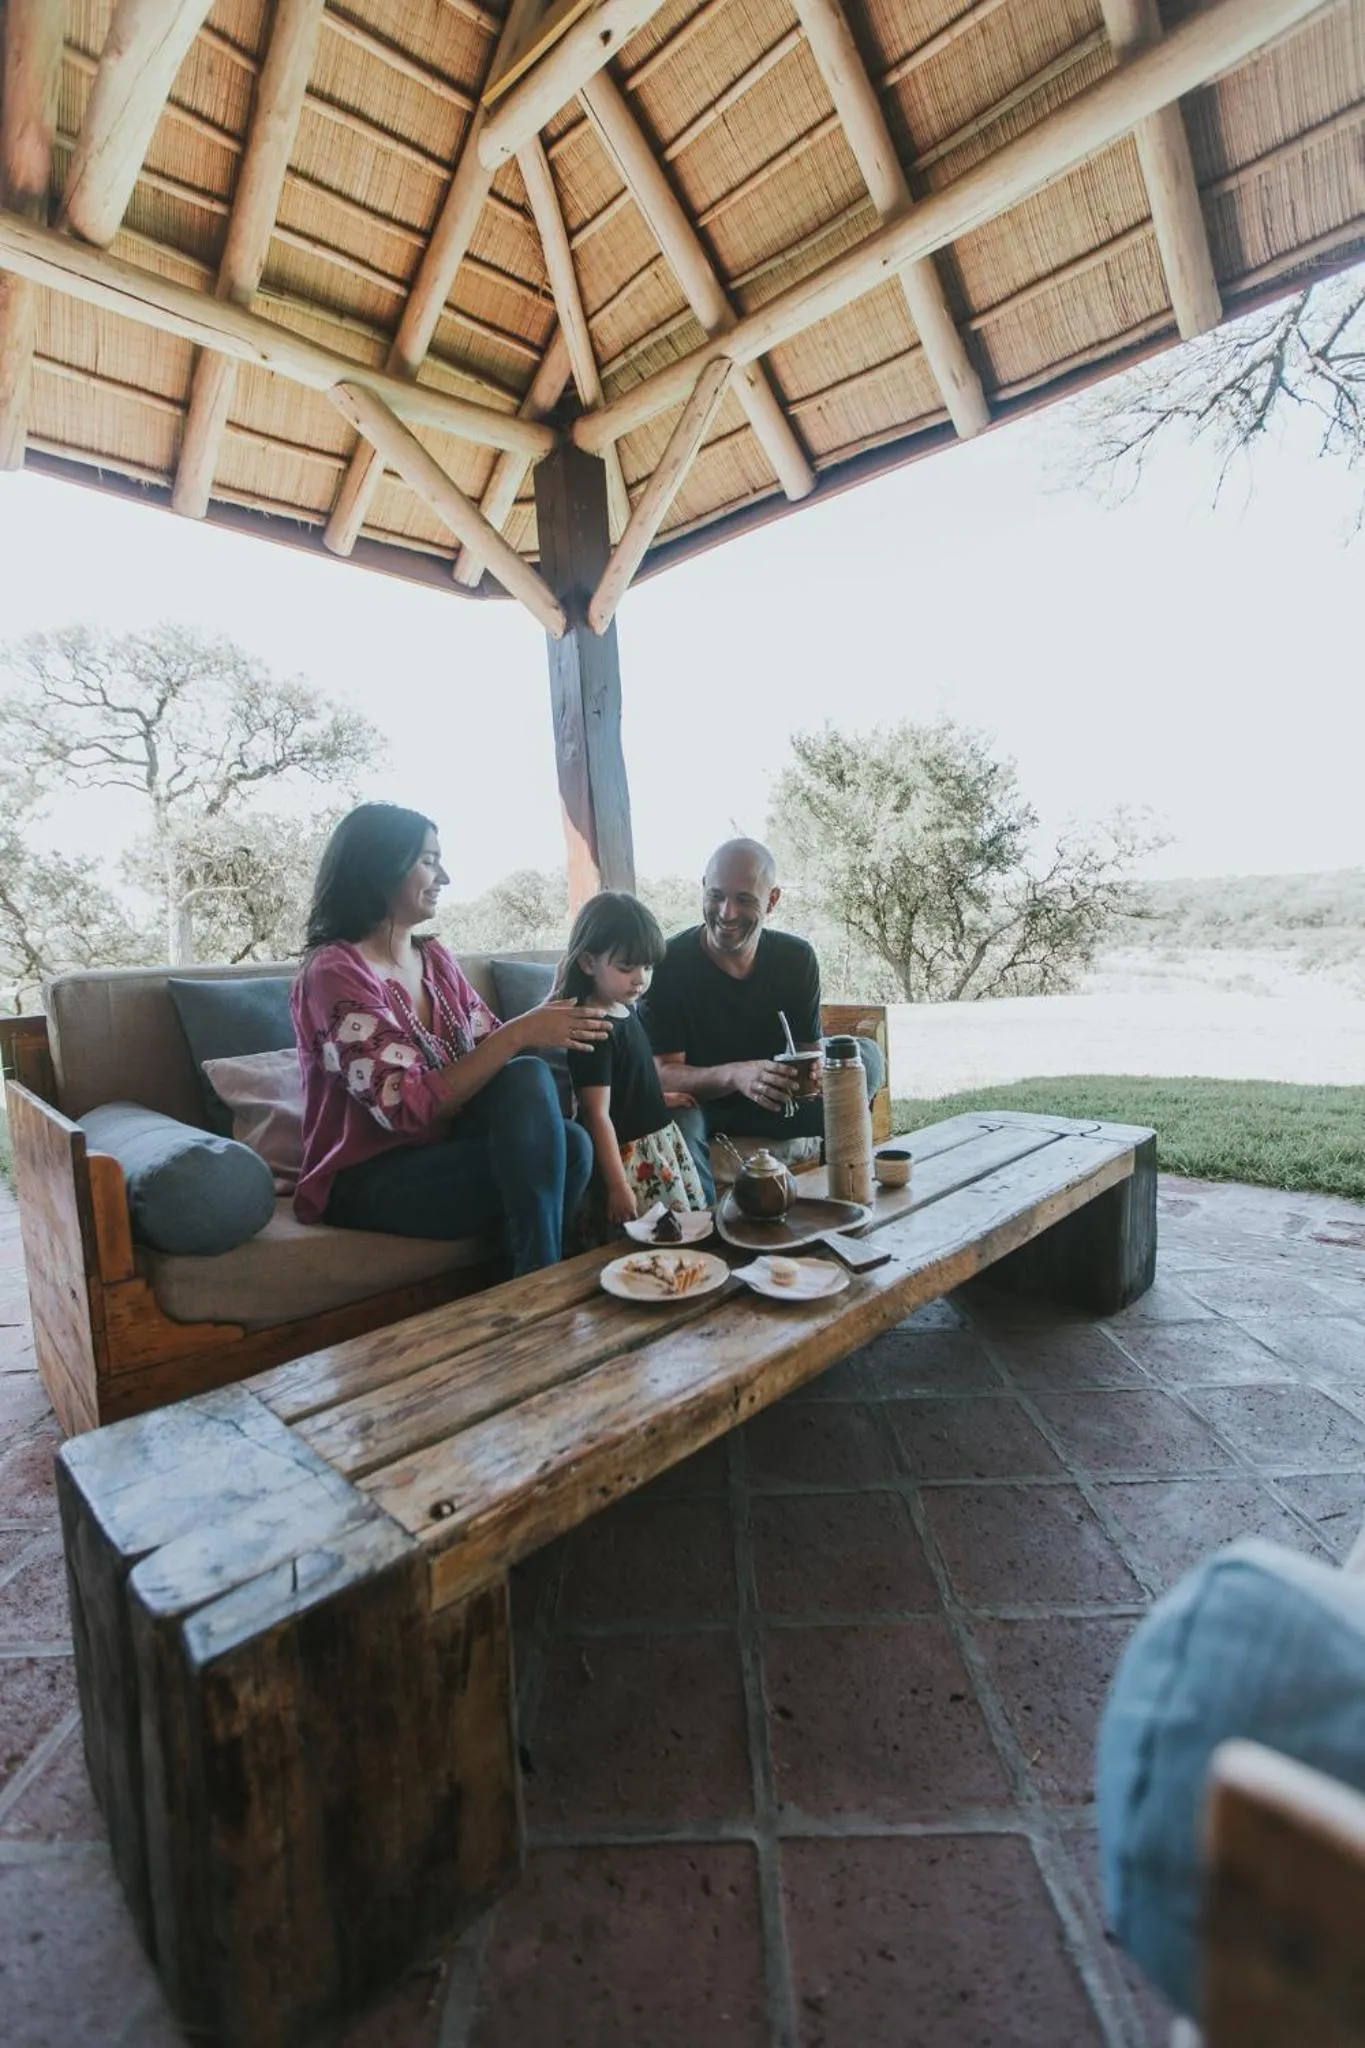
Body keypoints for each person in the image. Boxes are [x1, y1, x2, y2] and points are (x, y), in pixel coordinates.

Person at [293, 803, 609, 1276]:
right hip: (369, 1176)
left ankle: (527, 1283)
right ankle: (543, 1284)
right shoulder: (334, 972)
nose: (445, 877)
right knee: (552, 1138)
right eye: (429, 861)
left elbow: (494, 1059)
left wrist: (551, 1013)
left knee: (572, 1141)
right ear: (380, 865)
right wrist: (522, 1030)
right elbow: (402, 1106)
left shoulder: (436, 960)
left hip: (444, 1152)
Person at [637, 837, 885, 1202]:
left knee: (864, 1055)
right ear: (703, 888)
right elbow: (661, 1074)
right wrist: (737, 1075)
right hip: (709, 1108)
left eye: (744, 899)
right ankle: (703, 1226)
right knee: (679, 1119)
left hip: (779, 1102)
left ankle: (844, 1194)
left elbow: (808, 1051)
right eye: (716, 896)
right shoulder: (669, 963)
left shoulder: (796, 958)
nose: (727, 913)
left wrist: (817, 1072)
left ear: (772, 900)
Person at [556, 891, 707, 1237]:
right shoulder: (593, 1027)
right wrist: (617, 1186)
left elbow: (625, 1080)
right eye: (626, 968)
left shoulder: (625, 1008)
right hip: (628, 1158)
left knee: (679, 1234)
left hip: (654, 1143)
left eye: (648, 967)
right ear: (588, 963)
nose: (640, 978)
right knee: (649, 1238)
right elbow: (596, 1113)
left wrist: (656, 1098)